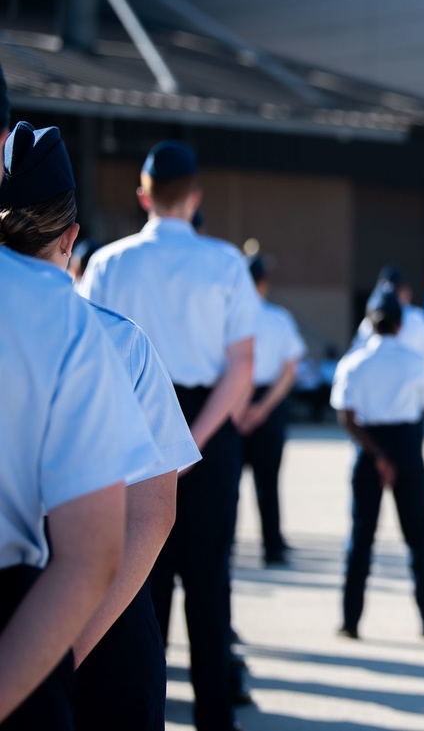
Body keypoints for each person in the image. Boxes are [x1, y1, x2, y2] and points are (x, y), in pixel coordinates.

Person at [0, 121, 203, 731]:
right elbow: (154, 510)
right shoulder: (115, 341)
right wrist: (63, 652)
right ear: (71, 238)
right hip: (104, 622)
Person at [78, 140, 258, 731]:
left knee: (136, 585)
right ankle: (214, 717)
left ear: (143, 196)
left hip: (126, 423)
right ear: (196, 196)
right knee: (210, 582)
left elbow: (84, 353)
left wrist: (164, 445)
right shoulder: (228, 261)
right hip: (210, 426)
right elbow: (241, 368)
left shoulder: (106, 262)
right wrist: (193, 442)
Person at [330, 285, 424, 639]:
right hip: (407, 448)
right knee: (418, 538)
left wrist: (376, 455)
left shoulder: (353, 362)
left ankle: (350, 621)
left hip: (367, 446)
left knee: (361, 537)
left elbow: (346, 417)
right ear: (399, 324)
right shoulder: (413, 361)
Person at [235, 254, 307, 565]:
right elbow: (291, 370)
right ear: (263, 283)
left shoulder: (228, 317)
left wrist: (239, 408)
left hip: (231, 400)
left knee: (226, 486)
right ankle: (272, 546)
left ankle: (225, 548)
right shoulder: (278, 318)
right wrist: (263, 409)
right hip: (269, 401)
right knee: (268, 483)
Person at [350, 265, 424, 361]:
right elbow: (356, 353)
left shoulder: (417, 318)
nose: (389, 293)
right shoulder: (370, 320)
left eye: (394, 289)